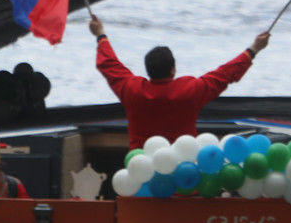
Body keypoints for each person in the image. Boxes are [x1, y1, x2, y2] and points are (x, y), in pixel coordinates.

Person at [90, 14, 270, 150]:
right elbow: (224, 74)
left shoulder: (132, 90)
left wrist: (100, 35)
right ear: (173, 69)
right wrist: (254, 49)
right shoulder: (189, 91)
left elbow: (108, 64)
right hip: (183, 173)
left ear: (148, 71)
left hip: (141, 172)